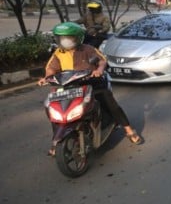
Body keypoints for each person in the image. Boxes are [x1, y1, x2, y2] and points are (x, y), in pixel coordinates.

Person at [38, 22, 143, 154]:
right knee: (55, 108)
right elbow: (51, 69)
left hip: (93, 83)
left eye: (68, 37)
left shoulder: (88, 49)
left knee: (109, 102)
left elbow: (102, 61)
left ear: (77, 38)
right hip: (69, 86)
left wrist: (98, 70)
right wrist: (46, 78)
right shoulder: (58, 53)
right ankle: (56, 140)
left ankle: (128, 129)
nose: (64, 41)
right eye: (61, 38)